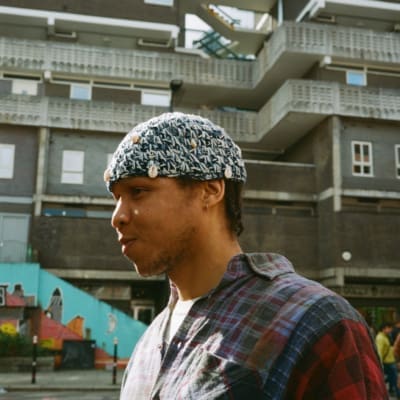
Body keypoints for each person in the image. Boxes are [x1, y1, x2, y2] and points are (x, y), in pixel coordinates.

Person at [104, 112, 388, 399]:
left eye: (138, 191)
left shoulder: (318, 324)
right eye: (116, 198)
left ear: (210, 190)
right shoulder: (149, 341)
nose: (117, 217)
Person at [376, 322, 400, 399]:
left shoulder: (385, 336)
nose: (390, 330)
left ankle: (391, 391)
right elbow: (379, 351)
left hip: (390, 361)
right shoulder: (380, 338)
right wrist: (380, 363)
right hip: (388, 362)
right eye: (389, 328)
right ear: (384, 328)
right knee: (394, 379)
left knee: (391, 378)